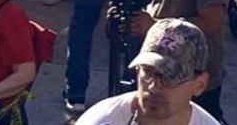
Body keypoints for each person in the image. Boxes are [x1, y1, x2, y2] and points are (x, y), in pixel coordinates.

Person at [74, 19, 220, 125]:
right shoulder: (101, 120)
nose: (154, 87)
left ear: (200, 84)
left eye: (170, 77)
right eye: (148, 72)